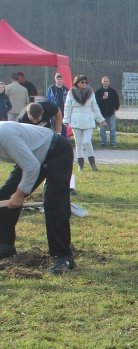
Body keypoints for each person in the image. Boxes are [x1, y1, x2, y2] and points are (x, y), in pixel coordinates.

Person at [0, 121, 75, 273]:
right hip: (33, 156)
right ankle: (5, 246)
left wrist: (20, 195)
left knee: (53, 204)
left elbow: (32, 167)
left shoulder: (5, 135)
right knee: (5, 196)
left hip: (57, 151)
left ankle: (63, 256)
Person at [64, 75, 107, 171]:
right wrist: (66, 120)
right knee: (78, 143)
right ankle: (80, 164)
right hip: (76, 120)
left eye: (85, 82)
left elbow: (95, 108)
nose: (84, 84)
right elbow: (67, 107)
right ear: (77, 83)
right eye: (82, 82)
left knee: (87, 141)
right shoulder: (71, 93)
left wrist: (101, 120)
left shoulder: (91, 93)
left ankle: (92, 163)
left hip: (88, 119)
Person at [95, 76, 120, 148]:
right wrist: (102, 98)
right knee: (102, 129)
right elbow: (95, 103)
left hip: (111, 113)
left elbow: (117, 101)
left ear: (109, 82)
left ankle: (113, 142)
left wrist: (116, 108)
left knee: (112, 128)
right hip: (102, 113)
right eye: (104, 81)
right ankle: (103, 142)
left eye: (107, 81)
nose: (106, 83)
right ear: (102, 82)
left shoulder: (113, 91)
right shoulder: (98, 92)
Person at [46, 73, 69, 137]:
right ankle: (54, 139)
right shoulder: (51, 88)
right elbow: (49, 99)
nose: (59, 81)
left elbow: (68, 100)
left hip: (63, 110)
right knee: (54, 125)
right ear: (55, 79)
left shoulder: (65, 89)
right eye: (58, 79)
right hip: (54, 110)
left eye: (60, 79)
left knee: (63, 126)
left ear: (63, 80)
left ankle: (64, 139)